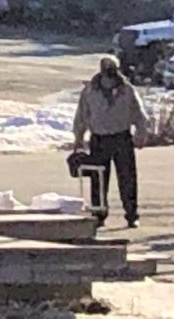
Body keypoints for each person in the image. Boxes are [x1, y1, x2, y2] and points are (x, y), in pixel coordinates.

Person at [72, 55, 151, 228]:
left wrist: (141, 133)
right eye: (107, 68)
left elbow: (139, 114)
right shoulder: (90, 90)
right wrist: (78, 138)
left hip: (121, 138)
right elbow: (82, 116)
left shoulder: (126, 89)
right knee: (98, 179)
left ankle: (131, 214)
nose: (110, 72)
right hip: (99, 139)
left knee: (127, 178)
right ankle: (99, 215)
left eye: (112, 68)